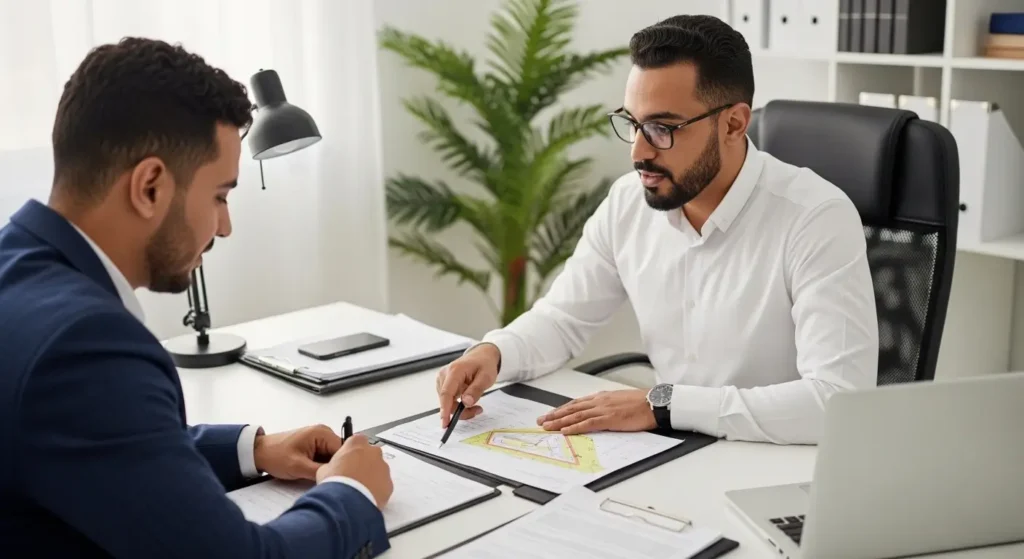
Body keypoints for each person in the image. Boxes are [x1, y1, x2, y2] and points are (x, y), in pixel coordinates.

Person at [0, 38, 393, 558]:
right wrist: (353, 492)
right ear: (150, 187)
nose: (225, 227)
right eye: (220, 196)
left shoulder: (15, 265)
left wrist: (253, 449)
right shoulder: (85, 343)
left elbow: (105, 442)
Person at [436, 15, 879, 446]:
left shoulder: (815, 218)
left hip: (774, 464)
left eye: (662, 128)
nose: (638, 152)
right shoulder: (628, 201)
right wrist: (494, 353)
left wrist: (664, 406)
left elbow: (835, 401)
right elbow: (562, 319)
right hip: (667, 450)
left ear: (733, 124)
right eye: (632, 123)